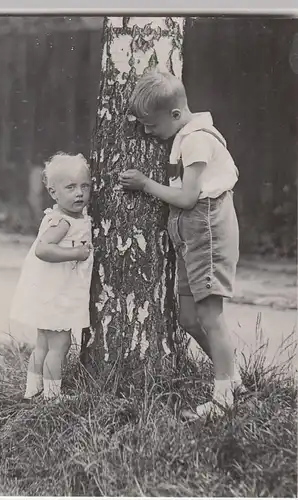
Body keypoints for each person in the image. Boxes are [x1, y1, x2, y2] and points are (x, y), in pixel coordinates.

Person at [119, 70, 244, 418]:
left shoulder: (196, 140)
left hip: (207, 232)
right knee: (189, 318)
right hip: (190, 237)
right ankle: (232, 379)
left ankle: (222, 398)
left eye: (151, 124)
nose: (146, 131)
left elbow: (189, 198)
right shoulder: (182, 135)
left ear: (175, 115)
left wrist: (145, 184)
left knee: (210, 315)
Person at [10, 152, 93, 402]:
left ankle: (32, 390)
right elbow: (43, 249)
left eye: (85, 186)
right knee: (60, 345)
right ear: (53, 192)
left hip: (49, 291)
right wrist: (75, 252)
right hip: (58, 293)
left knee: (44, 344)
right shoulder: (64, 222)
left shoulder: (67, 216)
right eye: (70, 187)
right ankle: (52, 396)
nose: (79, 193)